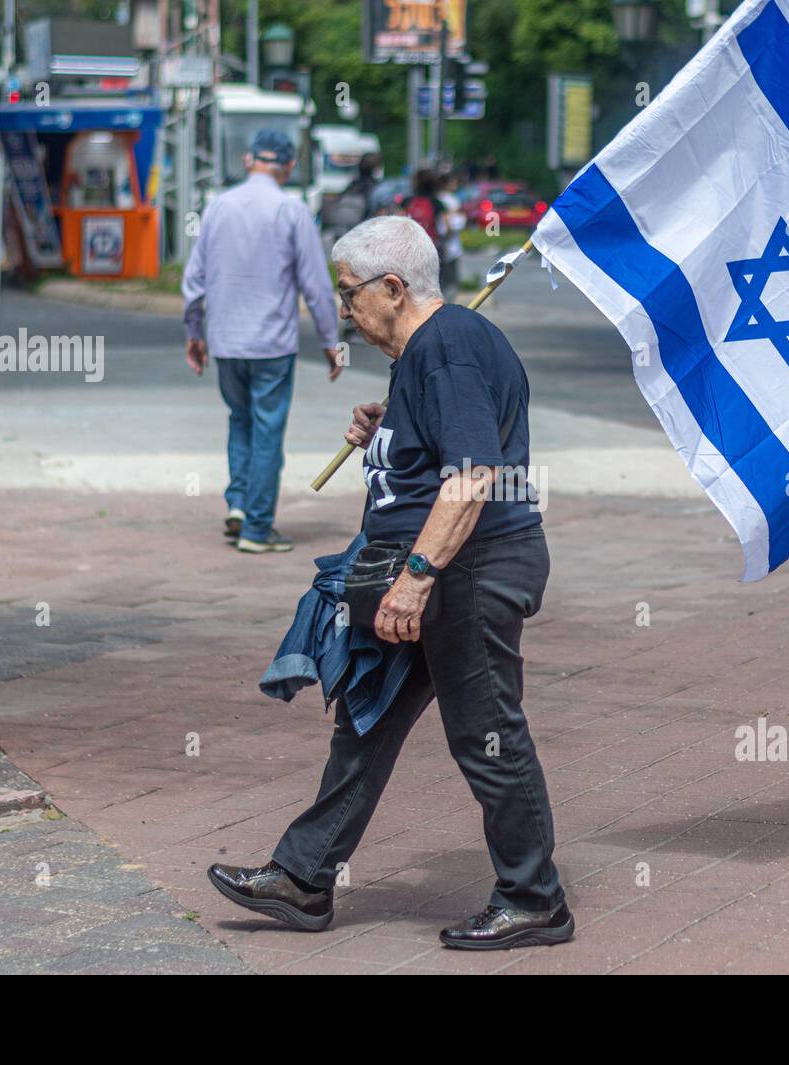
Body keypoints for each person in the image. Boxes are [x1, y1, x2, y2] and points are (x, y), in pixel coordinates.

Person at [207, 216, 573, 950]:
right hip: (442, 572)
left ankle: (536, 898)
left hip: (466, 571)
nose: (343, 308)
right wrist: (391, 429)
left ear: (394, 287)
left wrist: (415, 578)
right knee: (367, 720)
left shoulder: (449, 347)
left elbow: (473, 475)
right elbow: (449, 444)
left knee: (488, 734)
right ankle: (305, 877)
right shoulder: (430, 354)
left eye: (348, 294)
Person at [182, 129, 342, 553]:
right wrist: (331, 340)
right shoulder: (292, 210)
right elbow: (316, 286)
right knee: (268, 430)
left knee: (240, 420)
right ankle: (256, 527)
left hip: (226, 341)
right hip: (272, 342)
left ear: (250, 159)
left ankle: (238, 503)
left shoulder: (218, 206)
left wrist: (193, 332)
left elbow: (194, 279)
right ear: (288, 167)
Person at [437, 171, 466, 301]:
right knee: (451, 282)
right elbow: (457, 223)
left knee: (440, 280)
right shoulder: (451, 200)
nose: (455, 184)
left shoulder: (437, 198)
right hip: (451, 245)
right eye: (453, 181)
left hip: (437, 244)